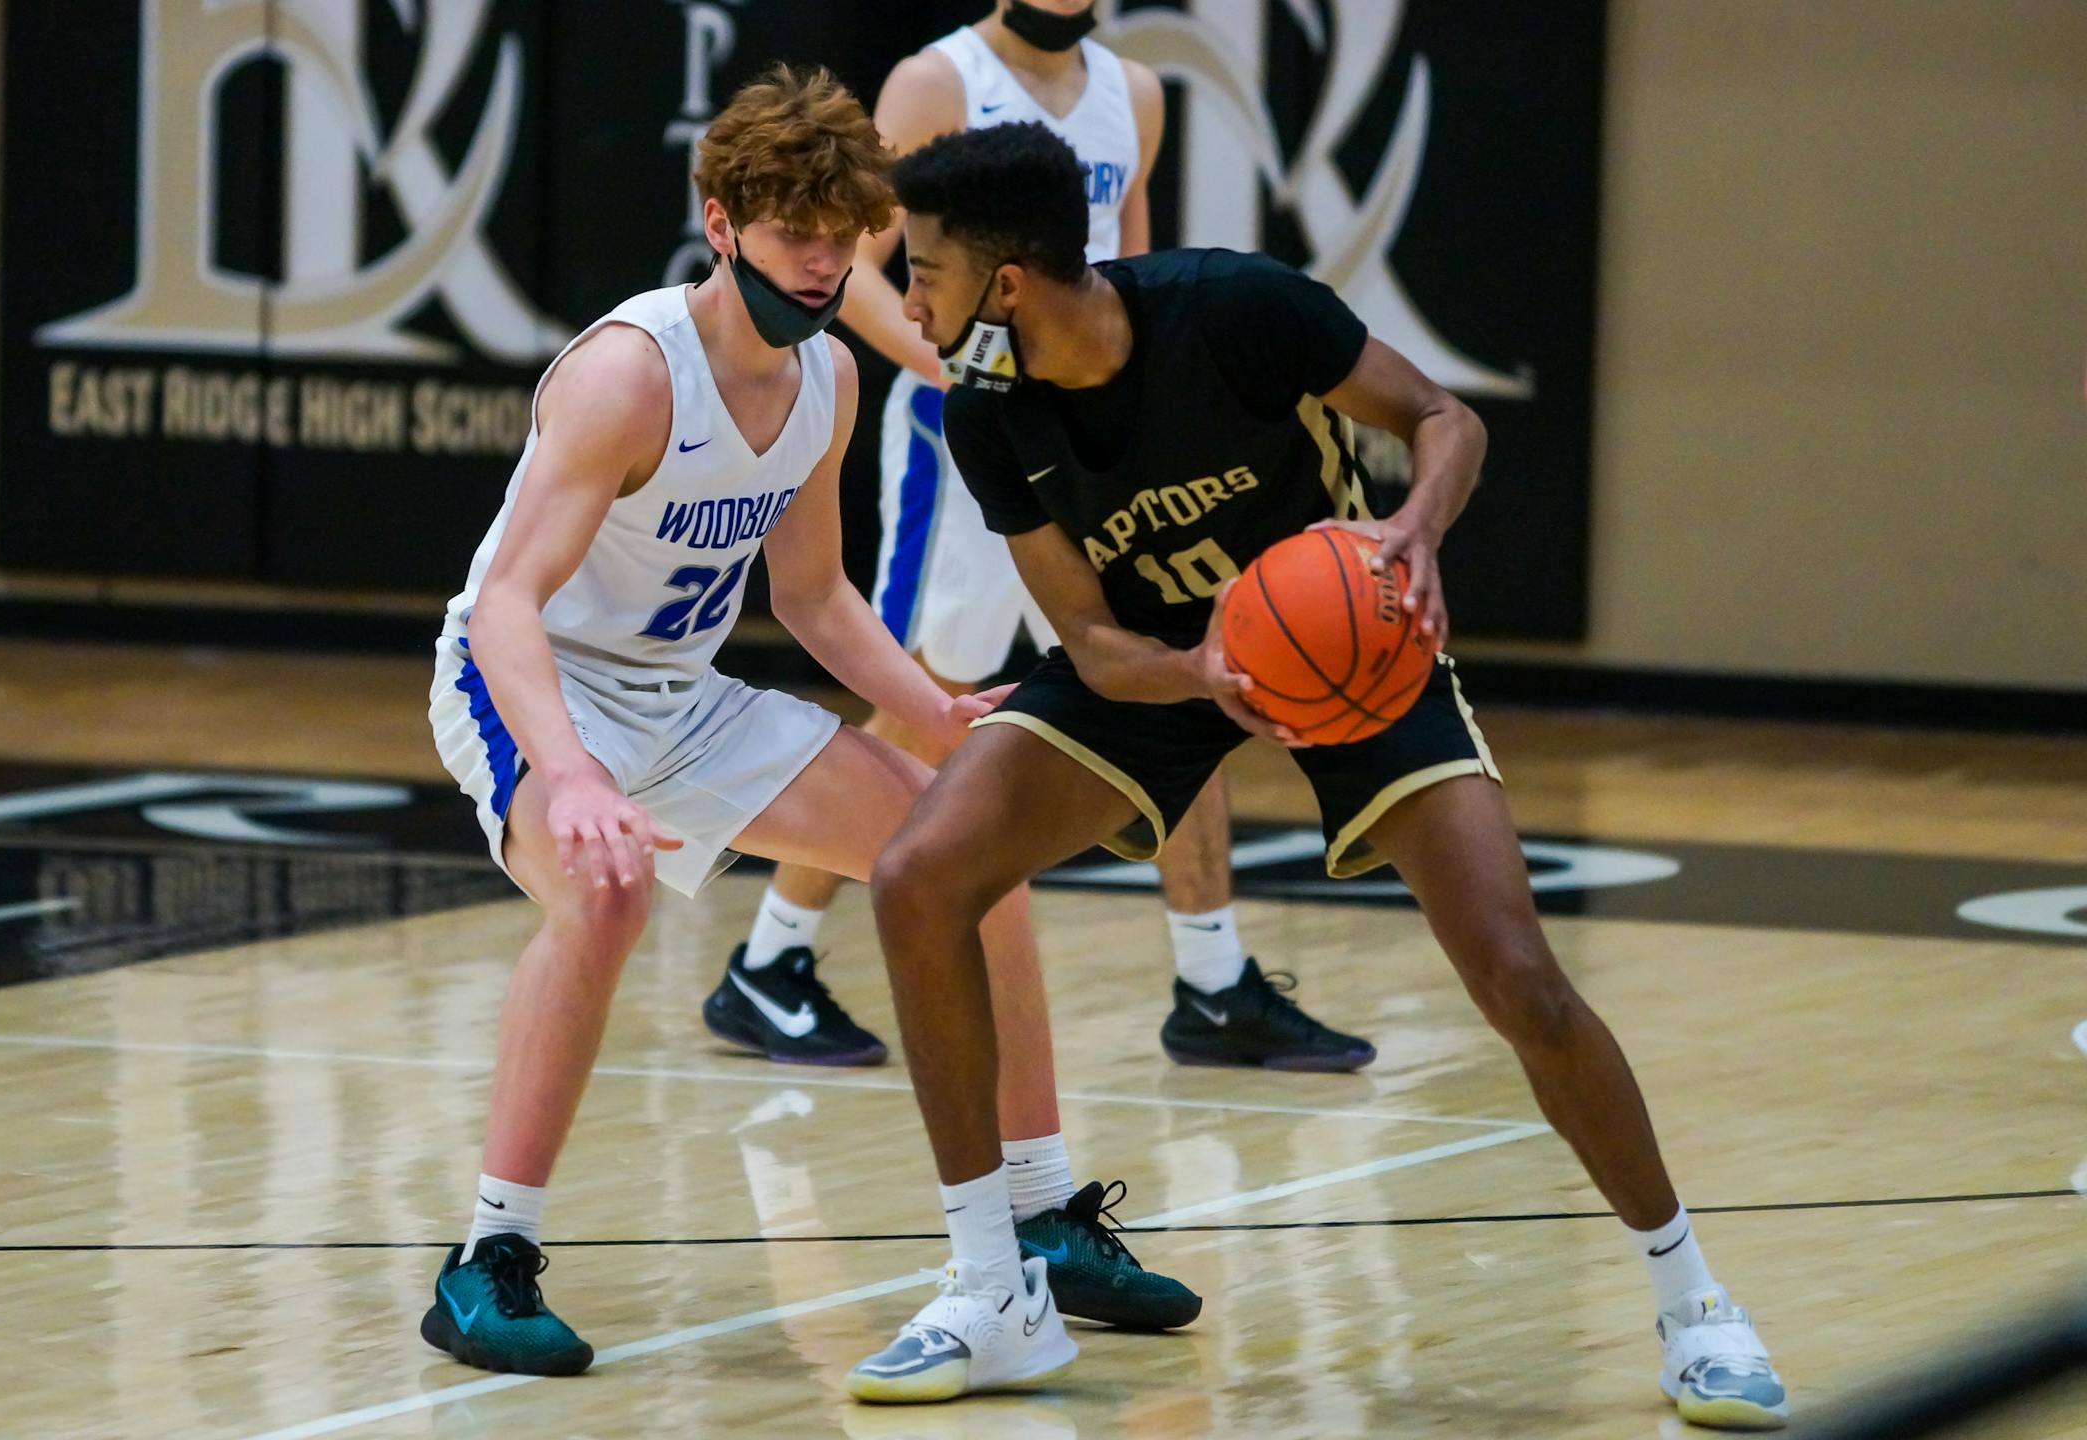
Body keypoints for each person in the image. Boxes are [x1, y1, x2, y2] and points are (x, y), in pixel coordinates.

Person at [845, 122, 1791, 1431]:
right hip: (1173, 671)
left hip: (1357, 643)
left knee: (1519, 975)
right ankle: (993, 1290)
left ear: (1008, 280)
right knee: (917, 877)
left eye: (926, 268)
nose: (907, 299)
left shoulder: (1236, 309)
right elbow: (1099, 648)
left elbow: (1441, 418)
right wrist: (1210, 673)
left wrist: (1413, 529)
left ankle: (1699, 1307)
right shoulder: (992, 410)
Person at [420, 70, 1195, 1379]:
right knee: (604, 897)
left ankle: (1043, 1212)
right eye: (799, 238)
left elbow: (816, 597)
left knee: (970, 856)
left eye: (846, 239)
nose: (828, 264)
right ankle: (487, 1259)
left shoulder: (827, 376)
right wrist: (575, 776)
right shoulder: (629, 374)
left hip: (678, 694)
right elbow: (504, 607)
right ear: (721, 225)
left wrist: (934, 704)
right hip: (529, 685)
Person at [701, 0, 1373, 1075]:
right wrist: (952, 367)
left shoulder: (1135, 93)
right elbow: (862, 266)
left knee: (1174, 673)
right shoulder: (936, 80)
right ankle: (769, 960)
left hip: (1093, 440)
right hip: (962, 433)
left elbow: (1132, 276)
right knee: (928, 695)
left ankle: (1211, 979)